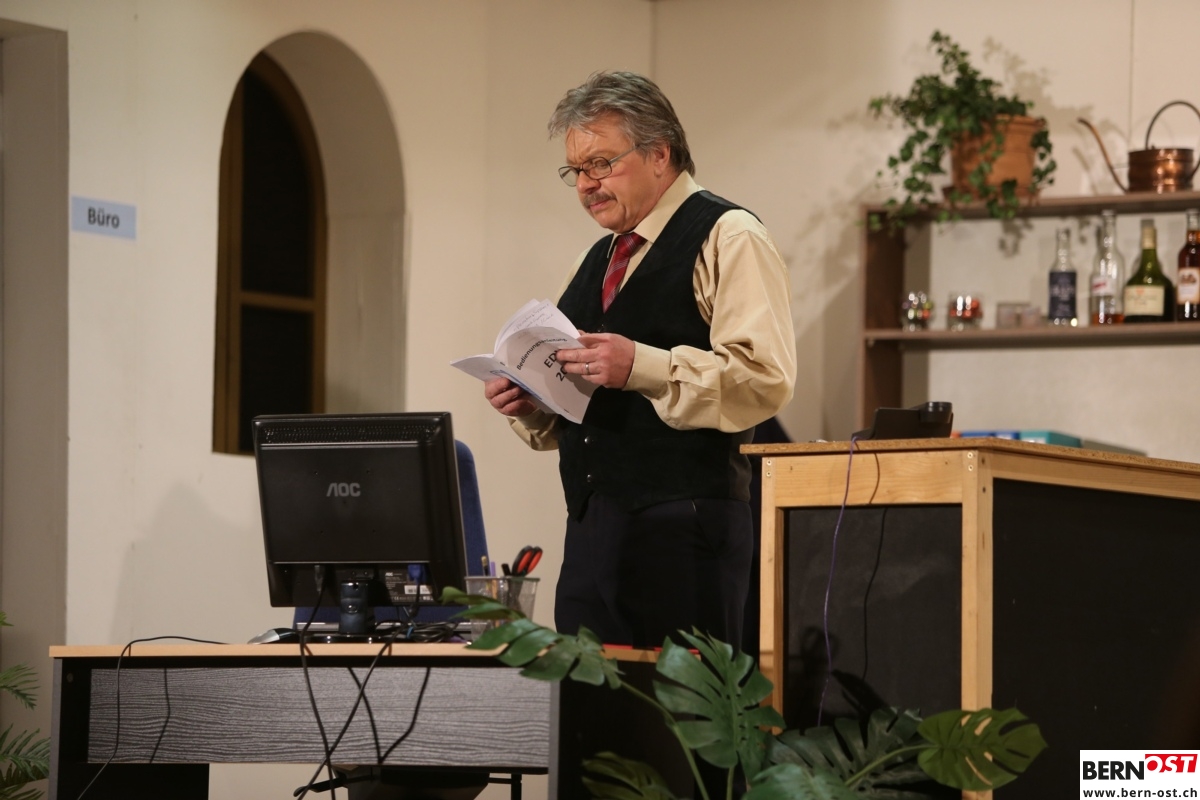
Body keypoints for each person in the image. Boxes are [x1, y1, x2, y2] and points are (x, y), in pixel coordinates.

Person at [484, 71, 795, 650]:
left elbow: (763, 380)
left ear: (659, 153)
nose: (586, 184)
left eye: (600, 163)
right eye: (575, 171)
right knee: (588, 703)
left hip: (686, 530)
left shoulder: (730, 235)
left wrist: (640, 367)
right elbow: (581, 401)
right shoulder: (593, 259)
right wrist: (532, 403)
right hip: (590, 531)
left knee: (682, 707)